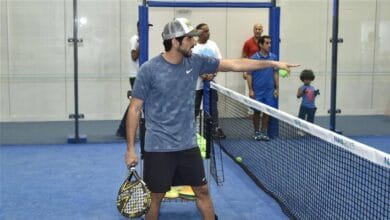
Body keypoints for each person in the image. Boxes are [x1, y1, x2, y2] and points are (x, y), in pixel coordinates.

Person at [124, 18, 298, 220]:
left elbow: (234, 64)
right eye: (190, 38)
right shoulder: (149, 69)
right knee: (155, 197)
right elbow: (135, 108)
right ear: (175, 41)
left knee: (203, 192)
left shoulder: (195, 61)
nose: (194, 42)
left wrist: (271, 63)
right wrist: (130, 149)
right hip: (158, 147)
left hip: (188, 145)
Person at [193, 23, 225, 139]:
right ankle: (190, 131)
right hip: (196, 85)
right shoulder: (194, 47)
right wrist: (201, 74)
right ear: (199, 33)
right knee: (194, 109)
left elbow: (219, 62)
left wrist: (213, 74)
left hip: (211, 84)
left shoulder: (213, 45)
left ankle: (214, 129)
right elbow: (191, 64)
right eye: (205, 31)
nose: (208, 33)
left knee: (213, 108)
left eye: (208, 30)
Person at [247, 35, 278, 141]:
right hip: (257, 90)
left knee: (266, 112)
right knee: (256, 112)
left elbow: (275, 73)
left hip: (269, 90)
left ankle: (264, 132)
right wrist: (250, 89)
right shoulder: (254, 58)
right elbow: (249, 74)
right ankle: (256, 132)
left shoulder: (273, 57)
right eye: (267, 43)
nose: (269, 45)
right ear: (260, 44)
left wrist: (276, 88)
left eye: (270, 43)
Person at [242, 23, 263, 117]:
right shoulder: (248, 43)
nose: (258, 31)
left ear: (262, 31)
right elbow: (243, 57)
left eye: (259, 29)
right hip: (250, 71)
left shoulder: (265, 42)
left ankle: (261, 111)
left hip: (262, 71)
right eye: (256, 29)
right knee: (250, 91)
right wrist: (244, 71)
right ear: (253, 30)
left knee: (261, 91)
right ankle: (251, 112)